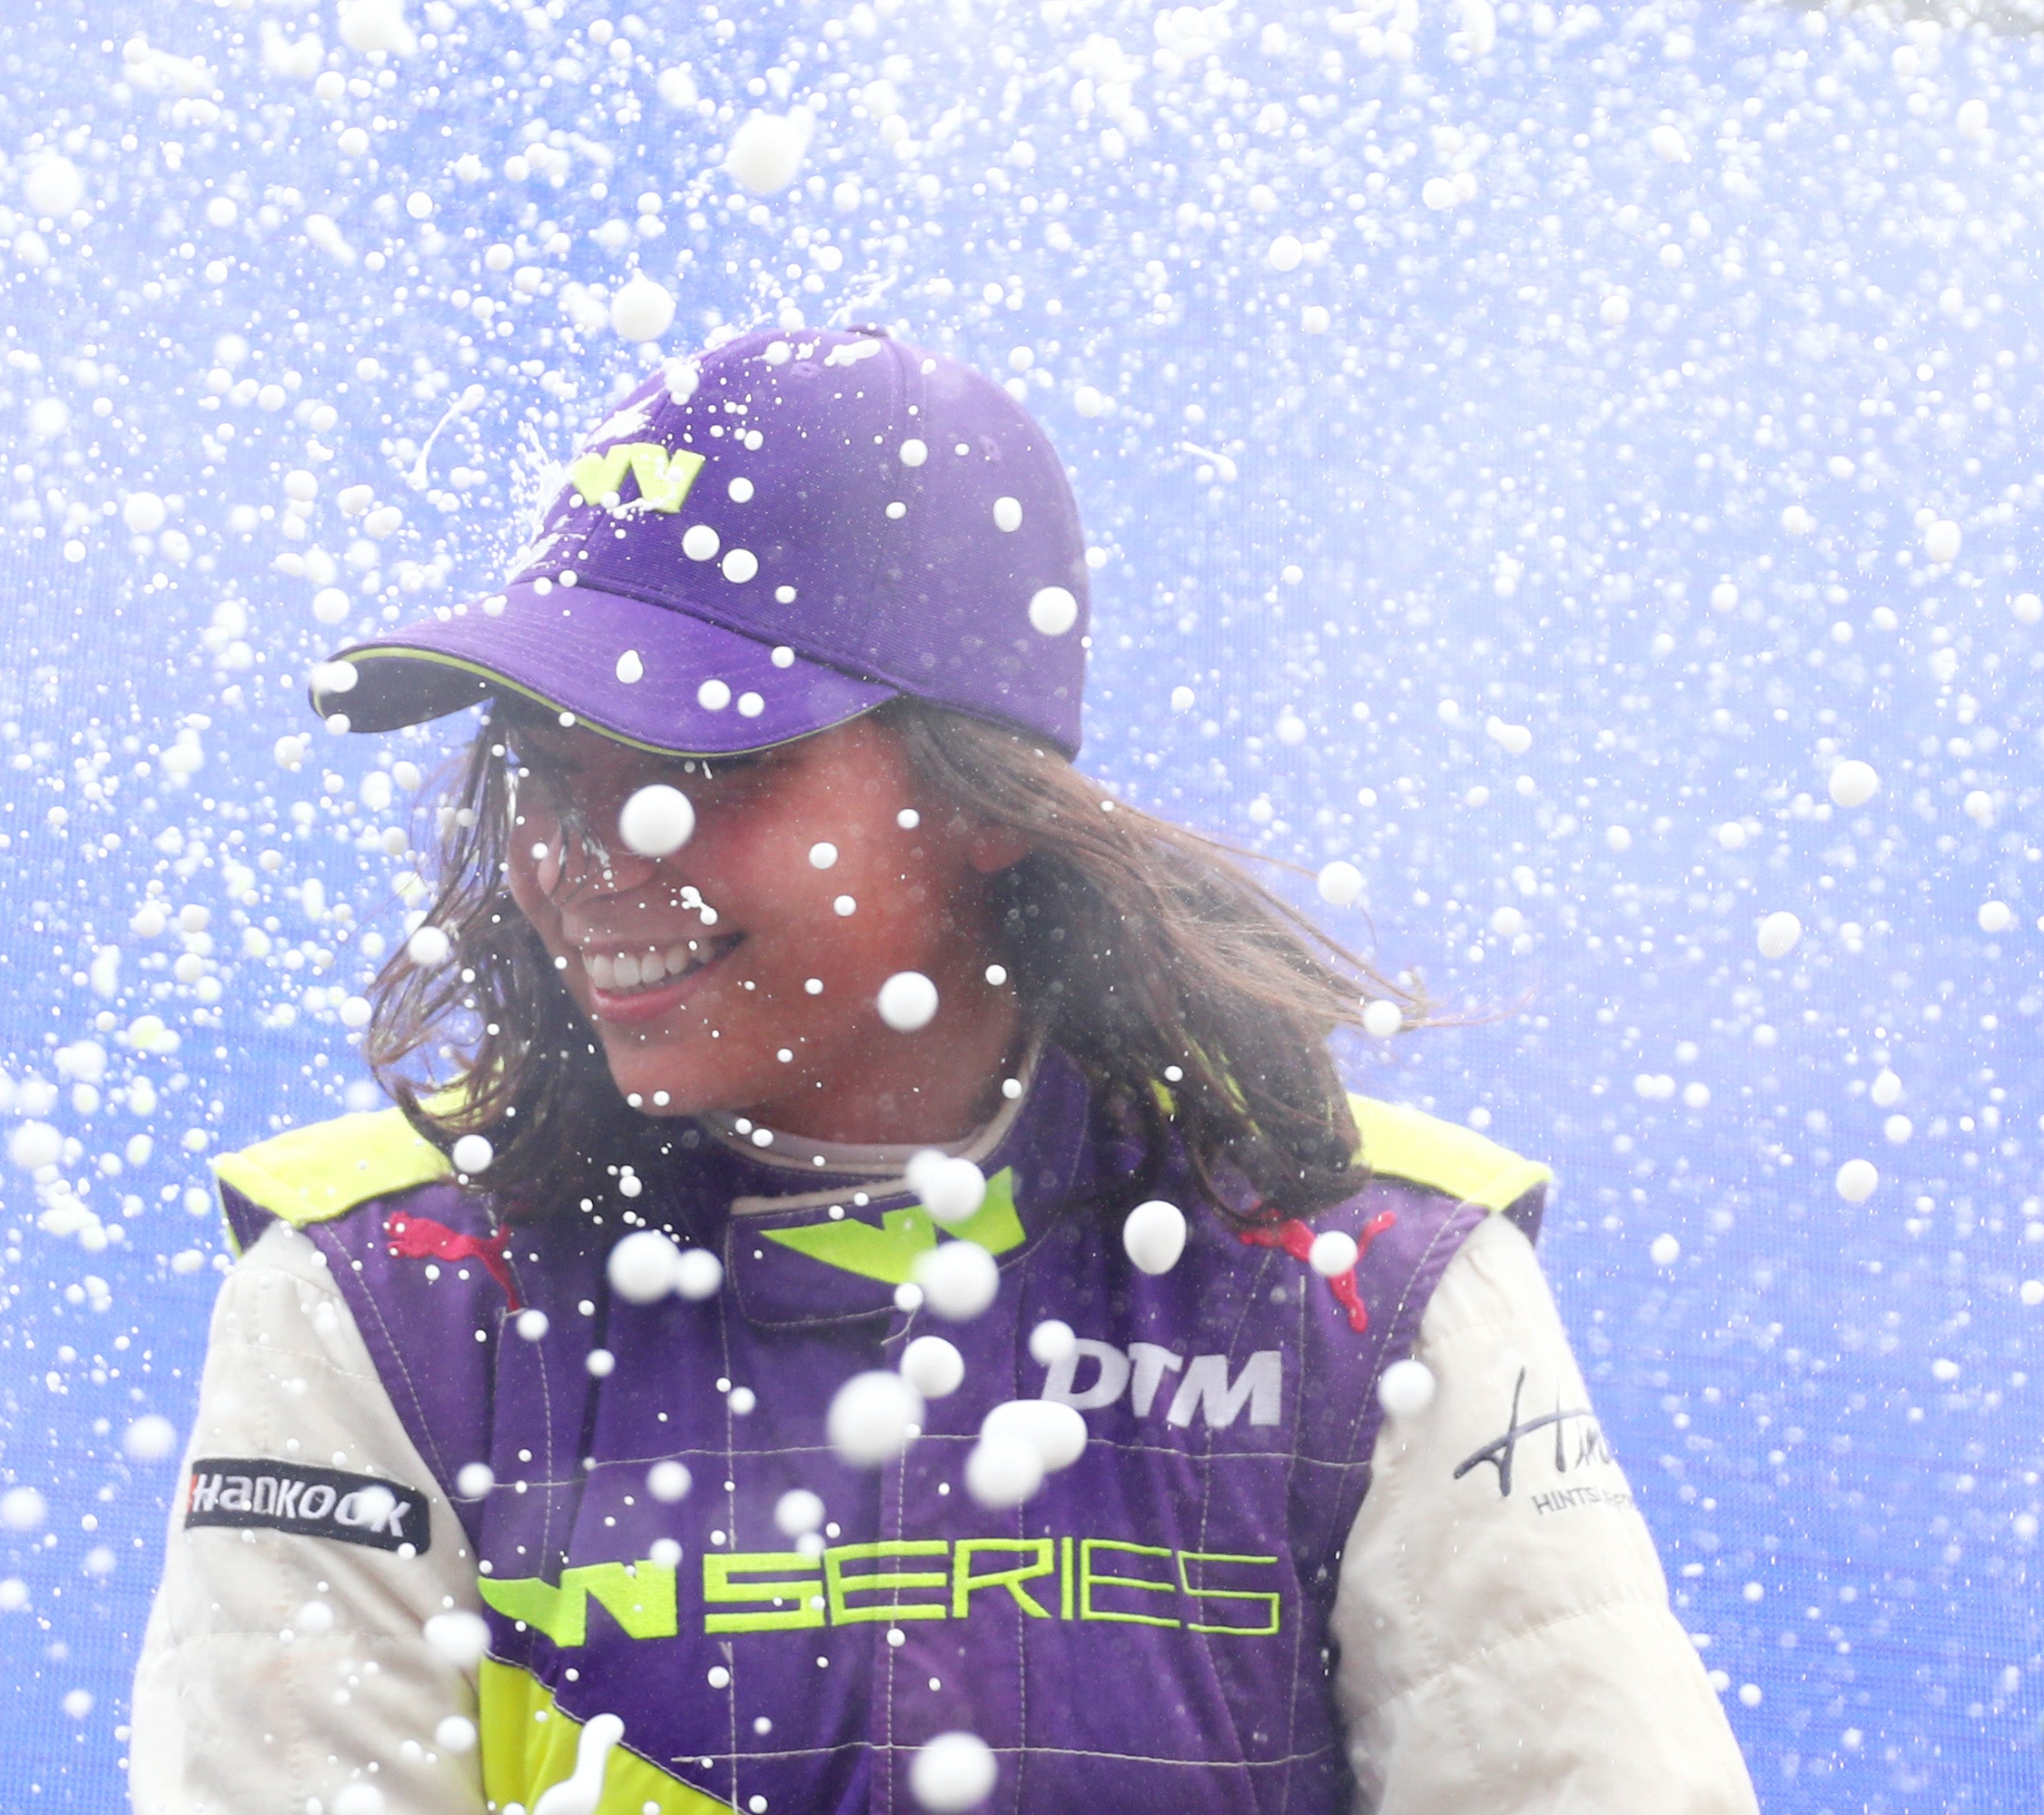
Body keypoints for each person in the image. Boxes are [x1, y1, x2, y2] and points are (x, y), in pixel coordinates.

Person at [130, 323, 1757, 1814]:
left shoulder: (1364, 1282)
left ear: (985, 801)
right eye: (543, 770)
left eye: (701, 762)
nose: (583, 855)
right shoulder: (387, 1298)